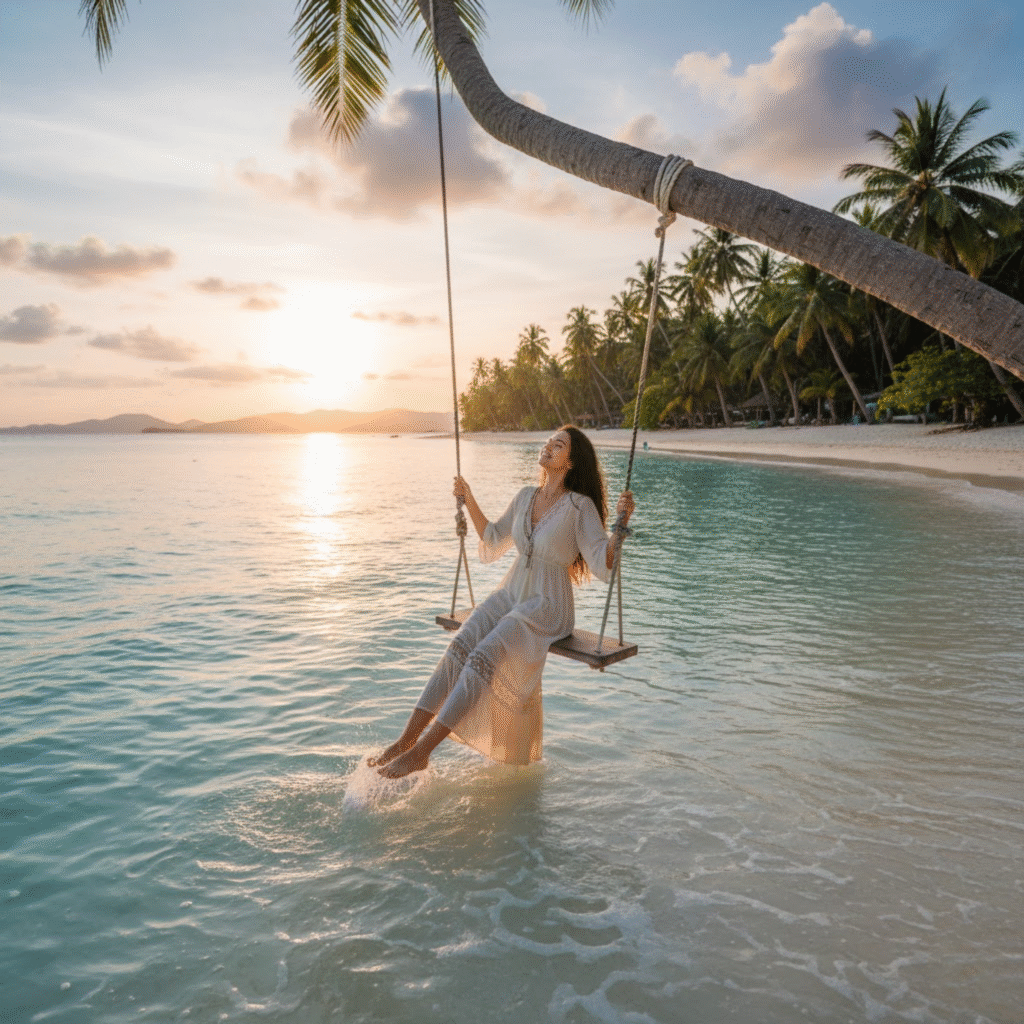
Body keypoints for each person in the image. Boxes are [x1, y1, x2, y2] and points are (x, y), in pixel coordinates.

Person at [370, 426, 635, 778]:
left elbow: (603, 561)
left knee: (484, 654)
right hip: (512, 592)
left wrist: (620, 526)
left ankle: (422, 751)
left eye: (558, 445)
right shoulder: (526, 495)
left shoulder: (579, 506)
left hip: (547, 604)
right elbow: (494, 537)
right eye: (548, 441)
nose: (548, 446)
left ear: (570, 462)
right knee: (460, 644)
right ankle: (405, 741)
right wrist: (468, 499)